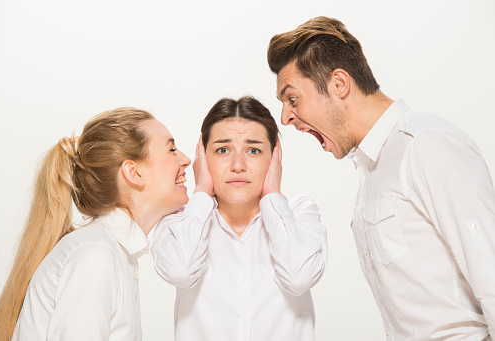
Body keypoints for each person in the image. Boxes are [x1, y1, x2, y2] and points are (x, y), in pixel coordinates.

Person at [267, 16, 495, 340]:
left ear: (339, 84)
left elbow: (491, 275)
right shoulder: (371, 172)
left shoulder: (425, 145)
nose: (286, 117)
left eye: (292, 99)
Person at [0, 107, 191, 341]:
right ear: (133, 172)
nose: (185, 159)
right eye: (172, 149)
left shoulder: (112, 254)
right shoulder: (96, 256)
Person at [150, 96, 327, 341]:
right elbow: (181, 272)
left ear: (275, 156)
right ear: (202, 156)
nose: (238, 165)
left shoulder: (299, 212)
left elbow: (300, 278)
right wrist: (201, 190)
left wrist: (273, 195)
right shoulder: (177, 221)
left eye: (253, 150)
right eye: (223, 150)